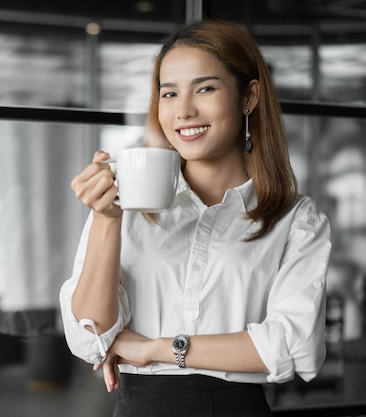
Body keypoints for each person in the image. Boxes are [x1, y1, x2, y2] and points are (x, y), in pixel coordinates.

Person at [59, 19, 332, 416]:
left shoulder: (296, 219)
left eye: (205, 88)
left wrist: (157, 348)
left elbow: (294, 344)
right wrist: (106, 219)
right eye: (169, 93)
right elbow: (92, 336)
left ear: (248, 97)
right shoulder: (123, 206)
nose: (184, 111)